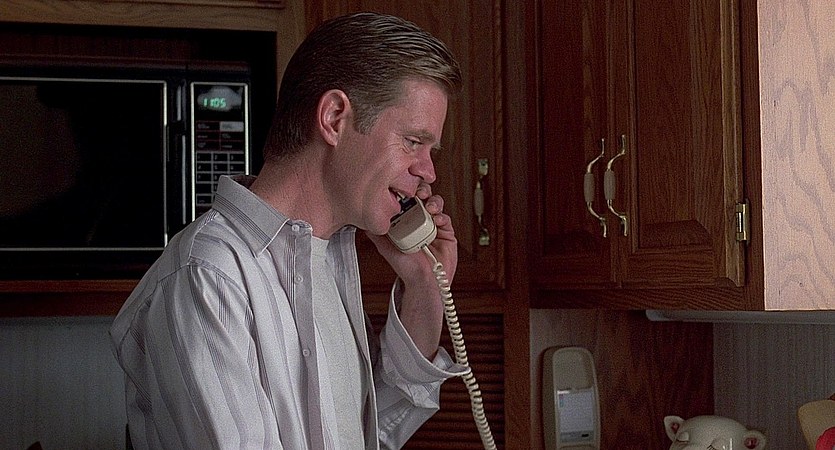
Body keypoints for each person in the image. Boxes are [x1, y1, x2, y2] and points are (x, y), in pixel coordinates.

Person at [110, 11, 466, 450]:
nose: (428, 171)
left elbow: (365, 436)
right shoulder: (209, 276)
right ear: (334, 118)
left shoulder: (326, 256)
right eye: (413, 141)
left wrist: (426, 287)